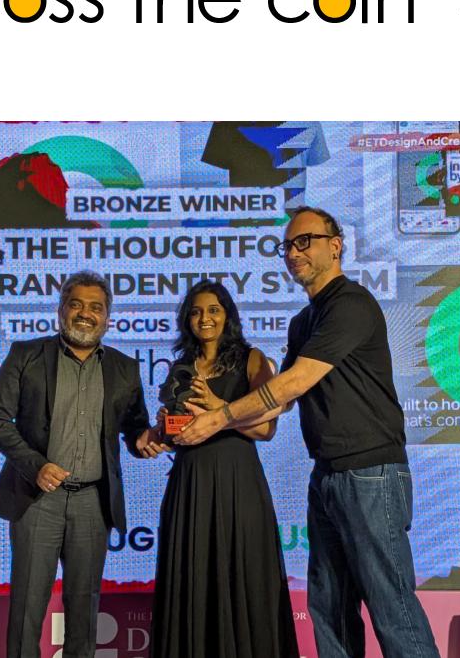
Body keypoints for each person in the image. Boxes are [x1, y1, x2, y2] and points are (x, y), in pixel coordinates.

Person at [177, 207, 440, 658]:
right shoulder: (303, 321)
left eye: (305, 241)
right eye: (287, 246)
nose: (293, 252)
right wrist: (220, 410)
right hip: (327, 476)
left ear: (335, 246)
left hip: (371, 472)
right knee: (329, 607)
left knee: (390, 604)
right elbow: (280, 403)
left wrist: (220, 418)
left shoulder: (351, 304)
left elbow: (295, 382)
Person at [0, 270, 154, 658]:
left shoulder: (125, 369)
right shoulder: (26, 355)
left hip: (93, 502)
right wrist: (36, 465)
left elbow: (135, 427)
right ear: (61, 310)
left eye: (96, 307)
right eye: (76, 304)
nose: (85, 314)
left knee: (84, 609)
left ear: (107, 317)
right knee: (27, 607)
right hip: (36, 499)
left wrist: (146, 440)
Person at [143, 280, 298, 657]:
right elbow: (180, 431)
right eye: (196, 312)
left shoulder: (252, 359)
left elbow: (266, 429)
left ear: (228, 315)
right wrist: (164, 429)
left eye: (213, 310)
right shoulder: (181, 367)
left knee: (241, 574)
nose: (205, 318)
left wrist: (219, 408)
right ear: (187, 320)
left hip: (236, 482)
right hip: (190, 482)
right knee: (192, 577)